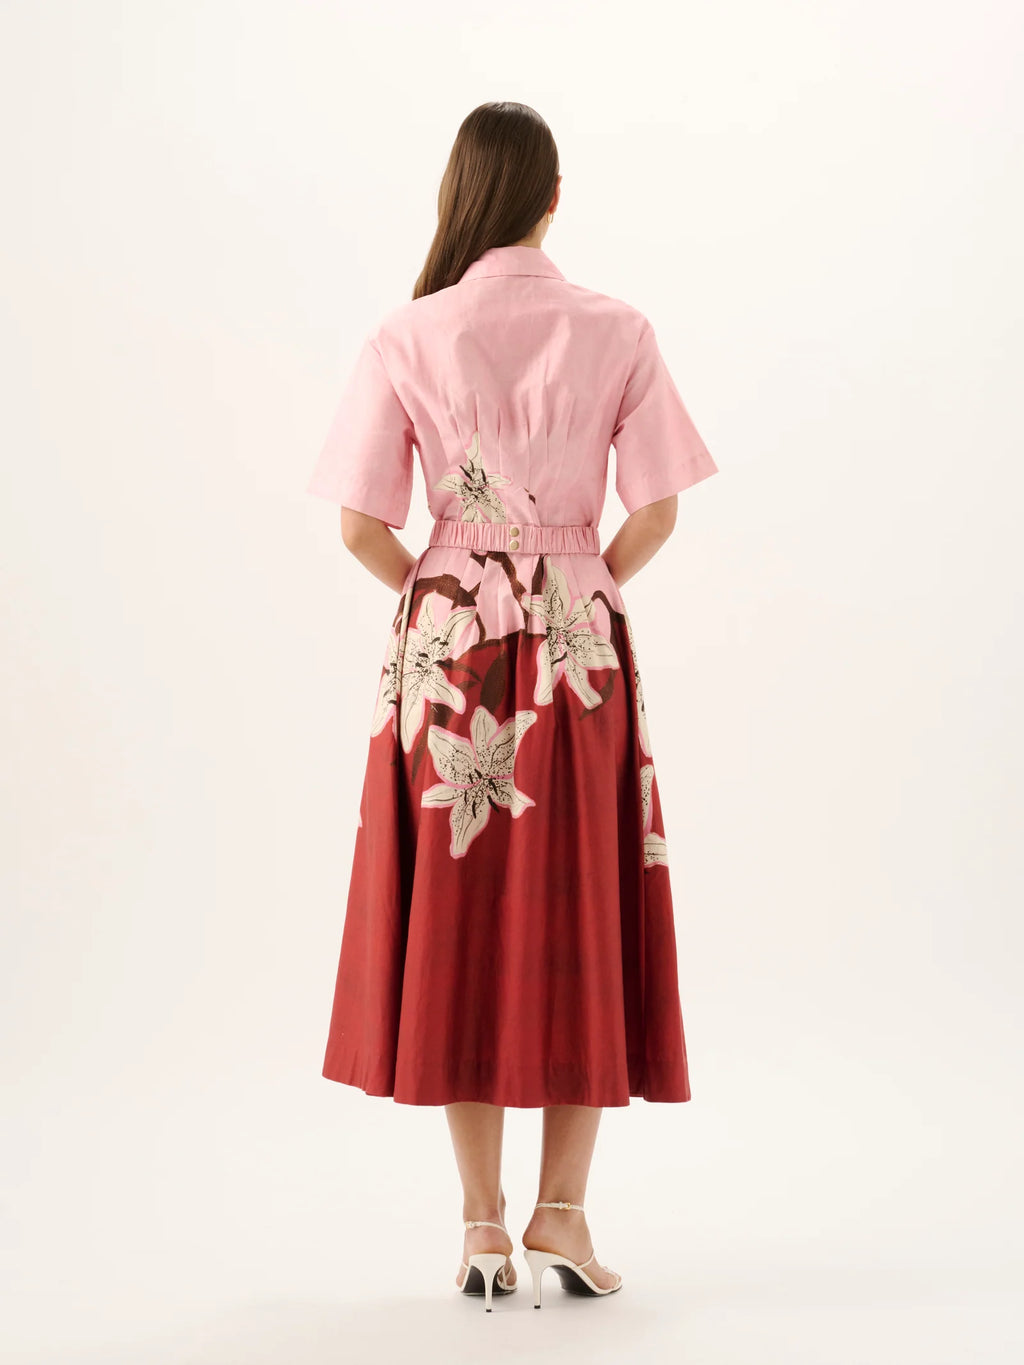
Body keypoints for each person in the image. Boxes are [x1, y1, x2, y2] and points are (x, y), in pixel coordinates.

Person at [306, 101, 718, 1311]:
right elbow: (657, 511)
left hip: (446, 651)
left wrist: (446, 588)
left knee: (461, 917)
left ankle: (482, 1224)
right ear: (549, 197)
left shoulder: (408, 332)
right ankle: (564, 1213)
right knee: (586, 899)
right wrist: (573, 584)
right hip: (580, 651)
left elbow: (357, 524)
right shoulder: (617, 328)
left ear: (460, 198)